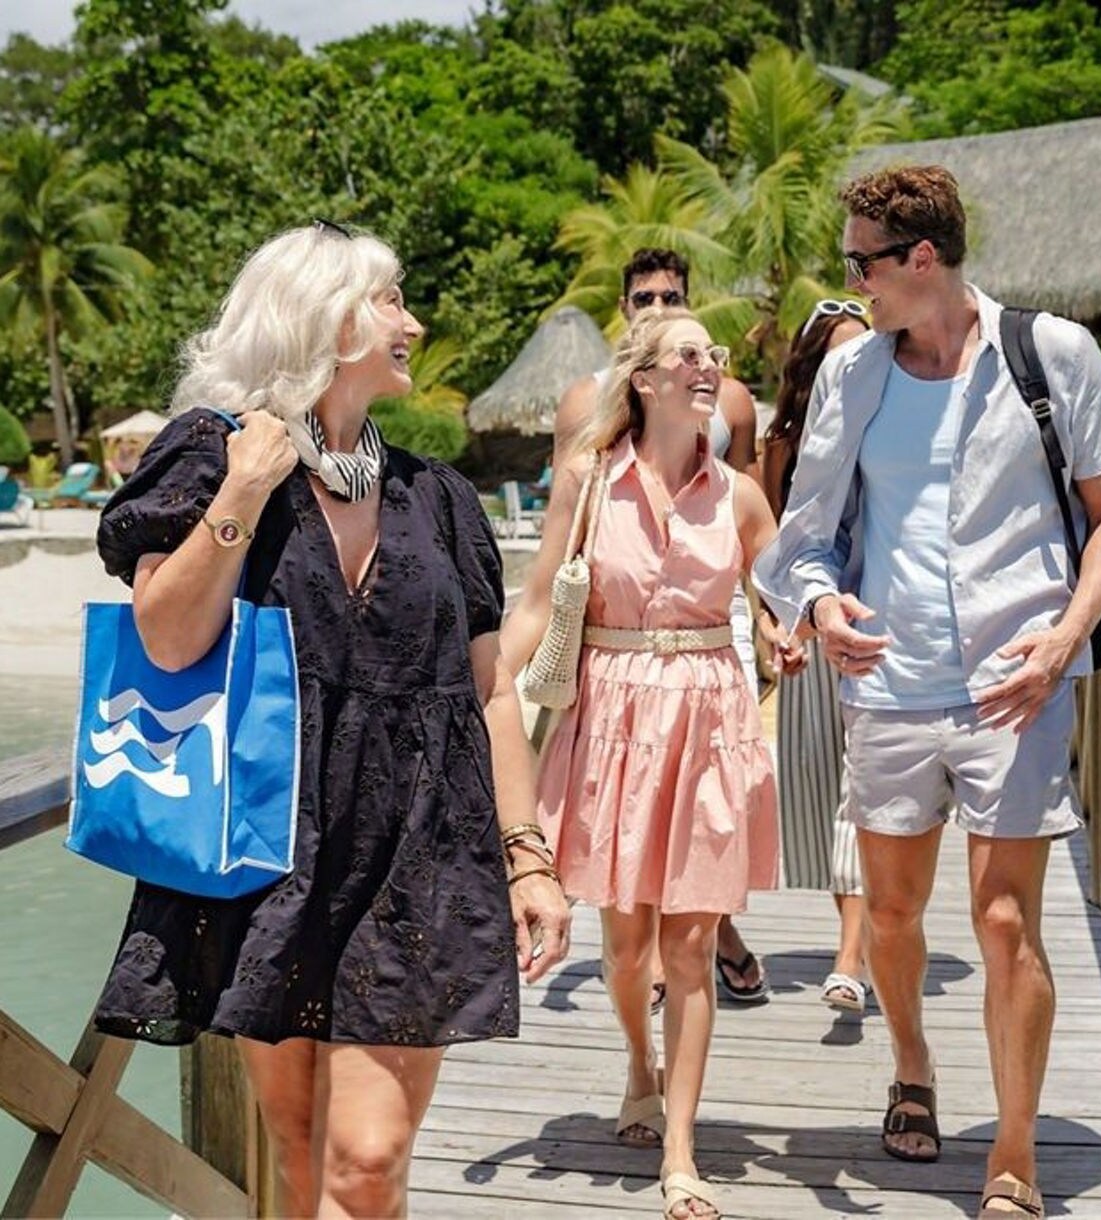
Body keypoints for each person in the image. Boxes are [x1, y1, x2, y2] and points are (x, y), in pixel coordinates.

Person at [90, 221, 570, 1218]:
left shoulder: (436, 498)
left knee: (365, 1155)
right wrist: (244, 490)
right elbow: (166, 639)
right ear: (320, 317)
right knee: (300, 1141)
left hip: (416, 850)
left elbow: (488, 692)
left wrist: (525, 853)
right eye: (389, 300)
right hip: (270, 847)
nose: (413, 321)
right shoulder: (212, 454)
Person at [753, 166, 1101, 1220]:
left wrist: (1064, 638)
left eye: (860, 262)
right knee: (888, 911)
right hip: (884, 687)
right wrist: (821, 603)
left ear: (919, 259)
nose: (850, 282)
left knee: (1005, 919)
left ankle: (1010, 1150)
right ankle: (910, 1066)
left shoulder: (1048, 352)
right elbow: (807, 532)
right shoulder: (849, 378)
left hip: (1014, 685)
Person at [503, 307, 801, 1220]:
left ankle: (681, 1152)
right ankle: (639, 1059)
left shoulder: (741, 495)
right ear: (644, 379)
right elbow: (532, 600)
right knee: (628, 951)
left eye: (714, 355)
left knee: (691, 949)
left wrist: (782, 629)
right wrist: (483, 677)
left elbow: (784, 590)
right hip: (613, 724)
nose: (709, 366)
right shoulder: (589, 481)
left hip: (712, 724)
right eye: (689, 355)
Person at [554, 247, 770, 1006]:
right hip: (621, 639)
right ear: (624, 307)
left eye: (670, 295)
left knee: (700, 823)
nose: (655, 304)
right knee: (634, 841)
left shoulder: (731, 399)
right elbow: (570, 530)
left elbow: (743, 503)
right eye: (643, 296)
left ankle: (703, 935)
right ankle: (659, 963)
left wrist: (773, 618)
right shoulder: (584, 403)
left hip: (714, 621)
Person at [760, 299, 871, 1014]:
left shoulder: (894, 425)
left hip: (879, 628)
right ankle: (856, 942)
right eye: (841, 353)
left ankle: (853, 956)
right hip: (808, 627)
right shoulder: (785, 441)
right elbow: (770, 546)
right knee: (820, 789)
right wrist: (782, 626)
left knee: (863, 793)